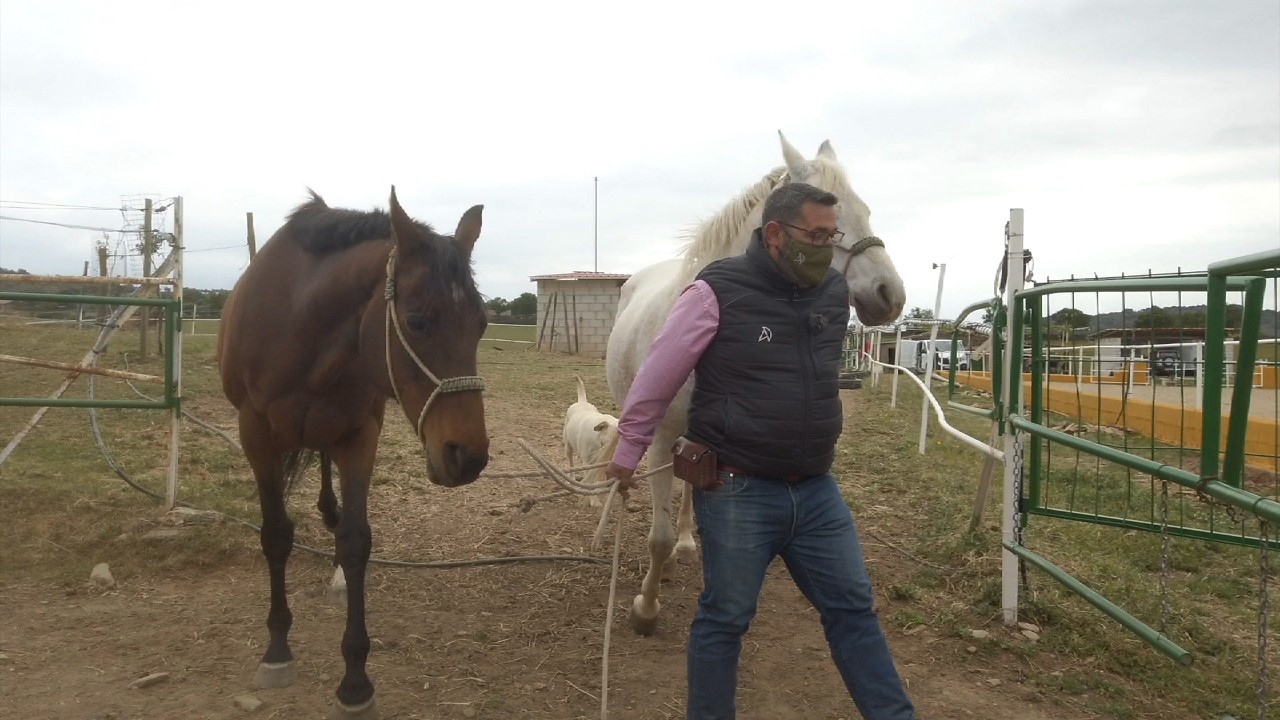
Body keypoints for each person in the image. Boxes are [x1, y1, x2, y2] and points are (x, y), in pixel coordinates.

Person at [604, 183, 919, 720]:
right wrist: (629, 446)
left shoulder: (829, 293)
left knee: (853, 610)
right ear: (774, 234)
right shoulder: (714, 292)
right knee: (725, 618)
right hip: (737, 489)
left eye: (832, 235)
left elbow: (870, 307)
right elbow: (658, 375)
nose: (825, 246)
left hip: (817, 491)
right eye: (816, 235)